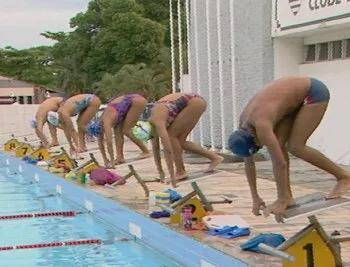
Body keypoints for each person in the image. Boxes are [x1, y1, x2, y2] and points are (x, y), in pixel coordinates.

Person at [228, 76, 350, 222]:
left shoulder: (261, 124)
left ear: (254, 137)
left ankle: (344, 177)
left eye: (260, 146)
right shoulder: (244, 129)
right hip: (291, 99)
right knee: (279, 145)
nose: (263, 146)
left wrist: (279, 200)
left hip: (312, 91)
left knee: (296, 147)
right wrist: (255, 197)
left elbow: (280, 163)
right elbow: (249, 163)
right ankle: (287, 197)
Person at [149, 92, 224, 187]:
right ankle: (215, 158)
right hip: (193, 102)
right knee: (179, 141)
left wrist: (172, 178)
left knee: (171, 136)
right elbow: (155, 150)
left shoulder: (157, 121)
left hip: (193, 102)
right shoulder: (151, 128)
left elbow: (167, 151)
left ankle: (180, 171)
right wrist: (161, 172)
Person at [87, 94, 151, 169]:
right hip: (123, 106)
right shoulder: (100, 124)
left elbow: (109, 142)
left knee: (126, 130)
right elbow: (101, 143)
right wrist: (105, 159)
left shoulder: (106, 121)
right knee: (118, 132)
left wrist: (111, 161)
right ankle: (120, 157)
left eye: (102, 132)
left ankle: (146, 151)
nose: (102, 133)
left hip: (136, 101)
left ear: (101, 127)